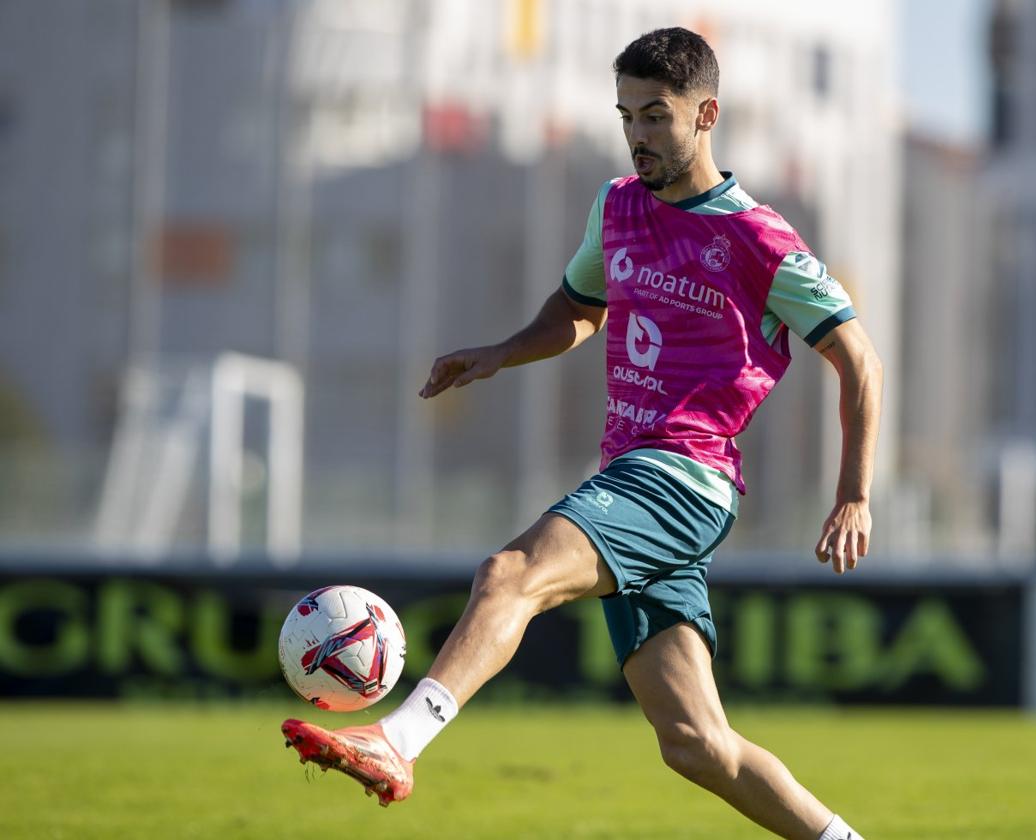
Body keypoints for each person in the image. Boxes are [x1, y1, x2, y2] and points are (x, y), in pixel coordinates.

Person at [283, 26, 882, 840]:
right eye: (626, 115)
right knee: (696, 746)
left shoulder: (758, 238)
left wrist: (854, 495)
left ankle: (397, 740)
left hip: (682, 476)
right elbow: (578, 310)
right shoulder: (617, 206)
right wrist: (499, 353)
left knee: (508, 573)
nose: (638, 134)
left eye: (656, 116)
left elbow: (858, 359)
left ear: (706, 114)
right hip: (640, 477)